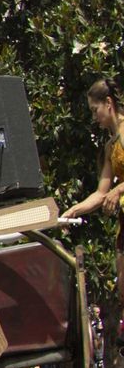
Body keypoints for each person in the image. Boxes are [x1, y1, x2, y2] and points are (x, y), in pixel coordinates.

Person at [61, 75, 124, 303]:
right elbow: (101, 193)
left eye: (94, 109)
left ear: (109, 103)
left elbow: (112, 191)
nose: (93, 116)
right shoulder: (110, 145)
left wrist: (118, 191)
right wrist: (73, 211)